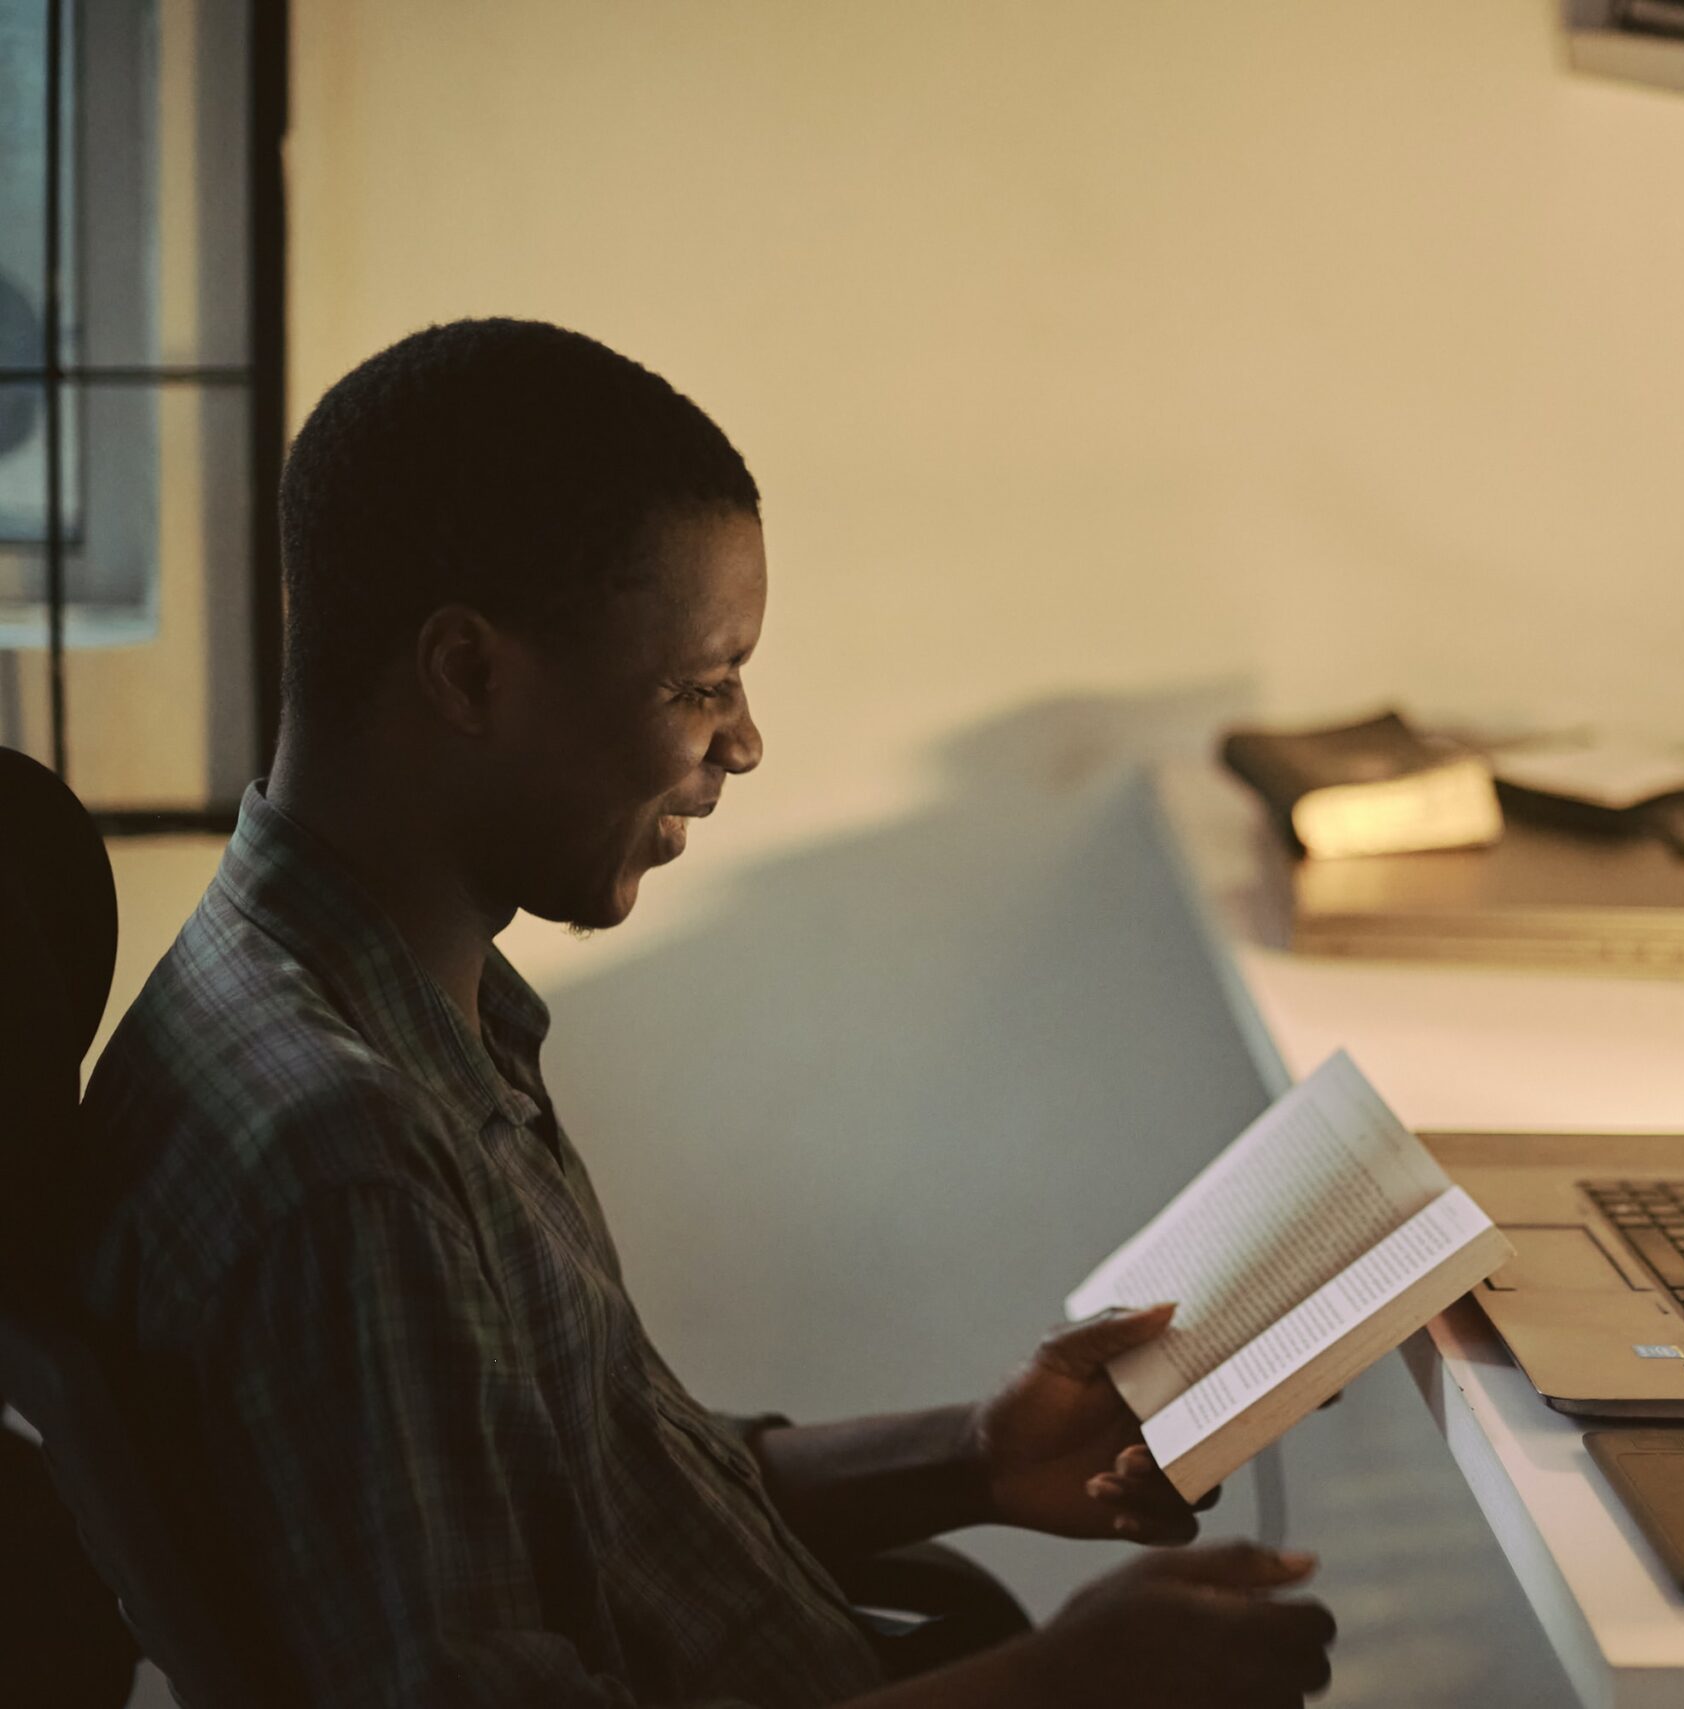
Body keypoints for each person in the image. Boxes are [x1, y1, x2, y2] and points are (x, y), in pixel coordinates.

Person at [67, 318, 1335, 1708]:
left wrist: (980, 1454)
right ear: (470, 675)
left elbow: (611, 1493)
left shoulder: (389, 1006)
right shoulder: (346, 1165)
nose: (743, 742)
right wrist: (1064, 1685)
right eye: (699, 685)